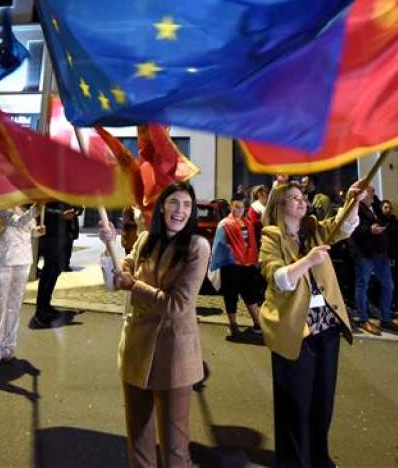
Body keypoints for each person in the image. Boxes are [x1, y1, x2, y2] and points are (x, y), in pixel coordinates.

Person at [101, 182, 210, 468]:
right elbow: (120, 272)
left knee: (175, 450)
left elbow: (177, 305)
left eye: (187, 205)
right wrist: (110, 246)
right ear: (162, 206)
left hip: (174, 356)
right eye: (174, 202)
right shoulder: (145, 239)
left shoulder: (197, 247)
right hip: (136, 350)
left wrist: (133, 286)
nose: (180, 210)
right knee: (138, 441)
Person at [259, 179, 364, 468]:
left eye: (302, 197)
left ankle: (319, 458)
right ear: (280, 205)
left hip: (326, 327)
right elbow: (277, 277)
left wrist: (353, 200)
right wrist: (306, 261)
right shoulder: (272, 236)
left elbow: (343, 226)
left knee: (322, 400)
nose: (302, 201)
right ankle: (294, 461)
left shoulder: (314, 229)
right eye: (294, 198)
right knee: (295, 403)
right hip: (294, 329)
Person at [0, 205, 45, 365]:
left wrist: (37, 232)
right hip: (4, 261)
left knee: (15, 307)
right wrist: (35, 209)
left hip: (23, 261)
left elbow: (27, 231)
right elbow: (17, 222)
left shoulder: (26, 210)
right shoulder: (3, 206)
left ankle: (8, 349)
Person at [212, 198, 263, 337]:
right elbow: (218, 245)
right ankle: (233, 326)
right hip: (231, 265)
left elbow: (252, 243)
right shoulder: (224, 223)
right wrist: (229, 251)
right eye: (236, 207)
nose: (239, 210)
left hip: (247, 264)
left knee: (251, 295)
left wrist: (254, 259)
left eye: (241, 207)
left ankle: (258, 323)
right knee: (231, 295)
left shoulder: (248, 223)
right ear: (231, 207)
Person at [350, 187, 394, 334]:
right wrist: (369, 230)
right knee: (363, 285)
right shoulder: (354, 208)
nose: (372, 193)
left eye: (373, 191)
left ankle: (385, 318)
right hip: (364, 252)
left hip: (380, 251)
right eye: (369, 191)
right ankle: (363, 319)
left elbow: (384, 219)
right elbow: (351, 229)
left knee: (388, 285)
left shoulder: (376, 206)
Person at [31, 200, 79, 327]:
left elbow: (78, 205)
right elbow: (41, 207)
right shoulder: (49, 194)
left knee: (56, 269)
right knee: (50, 269)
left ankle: (45, 305)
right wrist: (61, 215)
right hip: (50, 233)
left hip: (64, 232)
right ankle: (41, 310)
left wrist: (75, 211)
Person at [379, 200, 398, 314]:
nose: (388, 210)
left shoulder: (393, 220)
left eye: (389, 207)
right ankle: (391, 303)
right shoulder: (380, 221)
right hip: (387, 254)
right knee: (390, 280)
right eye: (385, 207)